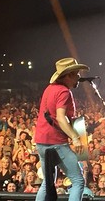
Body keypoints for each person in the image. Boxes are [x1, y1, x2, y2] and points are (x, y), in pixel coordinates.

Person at [35, 57, 89, 201]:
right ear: (69, 75)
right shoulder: (64, 92)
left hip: (41, 141)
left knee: (47, 183)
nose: (79, 77)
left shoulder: (49, 88)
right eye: (77, 74)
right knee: (78, 181)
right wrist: (75, 138)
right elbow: (60, 117)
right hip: (56, 142)